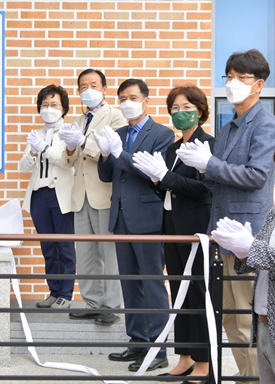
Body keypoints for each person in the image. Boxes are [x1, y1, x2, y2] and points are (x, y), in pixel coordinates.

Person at [177, 49, 275, 383]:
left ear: (259, 84)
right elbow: (215, 176)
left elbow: (257, 175)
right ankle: (246, 375)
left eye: (239, 77)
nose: (232, 83)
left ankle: (256, 377)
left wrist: (210, 164)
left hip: (247, 235)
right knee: (231, 319)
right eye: (228, 77)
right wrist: (198, 165)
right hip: (221, 231)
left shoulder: (265, 123)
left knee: (248, 318)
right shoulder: (229, 125)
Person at [132, 85, 213, 380]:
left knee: (197, 295)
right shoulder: (171, 149)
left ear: (201, 111)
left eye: (187, 108)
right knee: (178, 291)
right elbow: (168, 190)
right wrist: (157, 180)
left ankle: (204, 364)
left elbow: (205, 190)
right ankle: (184, 358)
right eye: (175, 109)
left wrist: (166, 177)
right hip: (171, 227)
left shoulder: (209, 145)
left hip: (196, 229)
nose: (180, 113)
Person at [94, 78, 174, 372]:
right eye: (122, 98)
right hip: (121, 217)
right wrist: (105, 154)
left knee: (151, 283)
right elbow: (106, 175)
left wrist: (118, 153)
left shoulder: (162, 134)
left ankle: (158, 349)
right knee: (129, 282)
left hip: (147, 218)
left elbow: (149, 172)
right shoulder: (118, 132)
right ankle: (137, 342)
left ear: (146, 100)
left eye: (132, 97)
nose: (126, 102)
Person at [59, 68, 127, 324]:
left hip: (105, 193)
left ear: (105, 89)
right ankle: (92, 302)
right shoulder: (77, 121)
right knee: (85, 252)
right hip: (81, 195)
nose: (88, 90)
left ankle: (111, 305)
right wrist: (69, 146)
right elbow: (70, 160)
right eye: (83, 86)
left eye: (94, 85)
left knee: (108, 252)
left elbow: (112, 153)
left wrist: (83, 143)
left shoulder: (116, 117)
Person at [19, 84, 76, 310]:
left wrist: (44, 149)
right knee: (48, 246)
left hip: (60, 195)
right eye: (44, 104)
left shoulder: (69, 132)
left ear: (63, 109)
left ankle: (66, 294)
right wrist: (33, 151)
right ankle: (53, 291)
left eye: (54, 104)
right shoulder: (37, 134)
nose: (48, 109)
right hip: (38, 195)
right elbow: (23, 166)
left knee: (65, 246)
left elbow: (65, 161)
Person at [212, 213, 275, 383]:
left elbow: (261, 252)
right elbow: (257, 261)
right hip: (263, 322)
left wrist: (251, 246)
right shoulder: (272, 215)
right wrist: (242, 253)